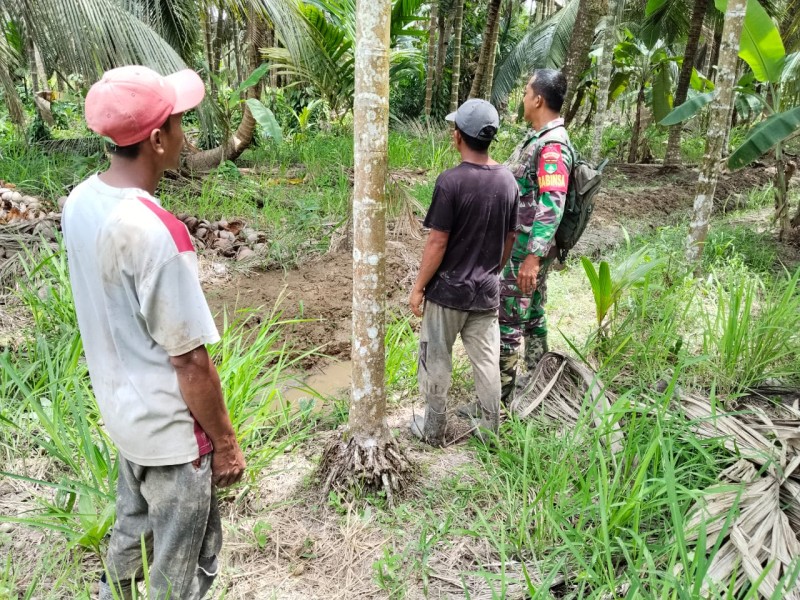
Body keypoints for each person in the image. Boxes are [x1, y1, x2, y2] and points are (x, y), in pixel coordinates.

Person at [62, 66, 245, 599]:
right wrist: (226, 444)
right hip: (171, 437)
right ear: (158, 140)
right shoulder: (158, 233)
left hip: (122, 416)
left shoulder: (79, 202)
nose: (185, 134)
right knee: (179, 568)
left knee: (131, 529)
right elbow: (190, 360)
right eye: (180, 123)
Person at [408, 99, 519, 446]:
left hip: (448, 294)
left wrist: (418, 287)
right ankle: (491, 431)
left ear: (458, 136)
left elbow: (437, 242)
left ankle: (434, 429)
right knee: (486, 362)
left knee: (436, 357)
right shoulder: (508, 182)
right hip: (486, 293)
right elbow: (511, 237)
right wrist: (493, 272)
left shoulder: (450, 182)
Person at [498, 69, 573, 406]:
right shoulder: (538, 138)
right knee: (534, 314)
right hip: (525, 248)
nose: (523, 97)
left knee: (510, 320)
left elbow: (552, 202)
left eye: (526, 91)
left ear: (538, 99)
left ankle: (500, 399)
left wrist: (532, 256)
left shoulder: (552, 145)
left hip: (526, 250)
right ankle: (539, 382)